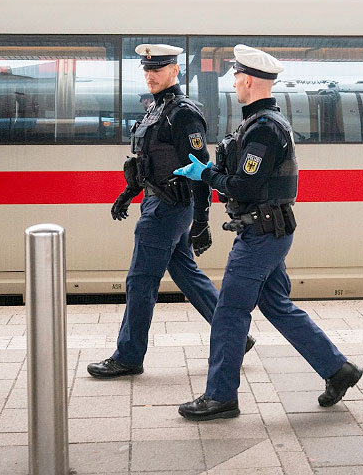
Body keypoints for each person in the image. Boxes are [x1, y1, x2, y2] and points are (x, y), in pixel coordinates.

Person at [173, 45, 362, 420]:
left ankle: (221, 396)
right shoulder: (258, 123)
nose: (234, 81)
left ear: (251, 80)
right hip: (267, 231)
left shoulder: (264, 128)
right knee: (276, 304)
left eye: (237, 75)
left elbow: (243, 186)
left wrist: (206, 175)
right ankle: (338, 370)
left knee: (228, 312)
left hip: (261, 235)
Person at [88, 43, 254, 379]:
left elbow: (201, 168)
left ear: (175, 71)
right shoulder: (155, 109)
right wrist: (129, 191)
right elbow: (149, 162)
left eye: (157, 69)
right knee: (186, 274)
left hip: (167, 207)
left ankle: (128, 356)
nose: (150, 75)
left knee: (140, 280)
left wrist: (202, 221)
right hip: (156, 200)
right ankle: (239, 336)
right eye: (147, 69)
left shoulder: (183, 113)